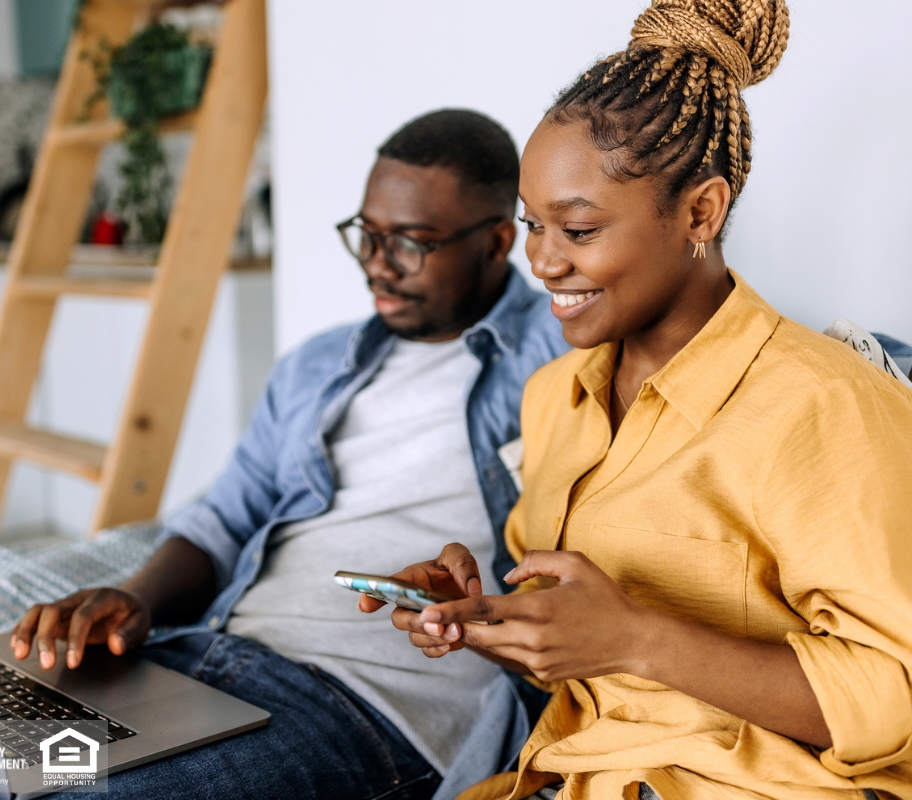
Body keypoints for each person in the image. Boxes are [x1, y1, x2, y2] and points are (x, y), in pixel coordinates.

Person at [371, 3, 912, 799]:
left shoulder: (824, 404)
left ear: (701, 212)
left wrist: (639, 639)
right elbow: (579, 652)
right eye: (532, 225)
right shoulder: (555, 398)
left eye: (579, 230)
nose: (542, 261)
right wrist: (478, 616)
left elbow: (895, 694)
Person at [0, 109, 565, 800]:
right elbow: (225, 515)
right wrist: (136, 598)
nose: (376, 263)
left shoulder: (565, 354)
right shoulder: (318, 364)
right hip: (197, 659)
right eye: (367, 234)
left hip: (362, 707)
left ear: (498, 242)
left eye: (410, 243)